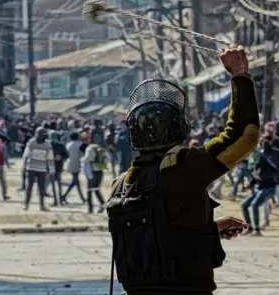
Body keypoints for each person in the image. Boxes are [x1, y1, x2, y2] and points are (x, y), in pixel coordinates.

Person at [105, 45, 259, 294]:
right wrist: (240, 75)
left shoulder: (120, 184)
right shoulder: (183, 167)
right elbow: (244, 135)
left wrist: (210, 228)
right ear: (179, 127)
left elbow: (158, 238)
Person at [241, 135, 279, 236]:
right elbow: (256, 177)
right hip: (260, 188)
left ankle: (257, 230)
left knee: (254, 205)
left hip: (269, 188)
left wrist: (263, 177)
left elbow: (274, 170)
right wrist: (249, 186)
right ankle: (249, 227)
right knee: (244, 205)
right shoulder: (252, 161)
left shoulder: (262, 159)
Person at [22, 127, 55, 211]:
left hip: (42, 169)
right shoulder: (31, 142)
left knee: (42, 188)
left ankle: (42, 205)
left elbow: (50, 158)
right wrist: (24, 167)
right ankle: (26, 204)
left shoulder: (47, 144)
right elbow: (26, 155)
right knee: (29, 187)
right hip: (31, 168)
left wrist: (52, 170)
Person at [83, 143, 107, 213]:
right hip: (100, 171)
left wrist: (82, 160)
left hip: (93, 172)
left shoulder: (89, 149)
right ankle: (102, 204)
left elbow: (87, 159)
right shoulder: (99, 148)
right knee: (96, 189)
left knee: (89, 190)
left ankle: (90, 209)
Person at [62, 132, 85, 204]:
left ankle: (64, 196)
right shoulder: (80, 144)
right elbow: (83, 154)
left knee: (74, 182)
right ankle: (82, 198)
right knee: (76, 182)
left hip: (70, 164)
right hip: (77, 164)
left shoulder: (68, 144)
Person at [48, 130, 68, 206]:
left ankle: (56, 201)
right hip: (57, 167)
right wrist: (61, 157)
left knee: (55, 185)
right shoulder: (60, 145)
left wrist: (61, 157)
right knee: (58, 184)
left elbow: (65, 155)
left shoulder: (49, 145)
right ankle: (58, 200)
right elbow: (66, 155)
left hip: (53, 168)